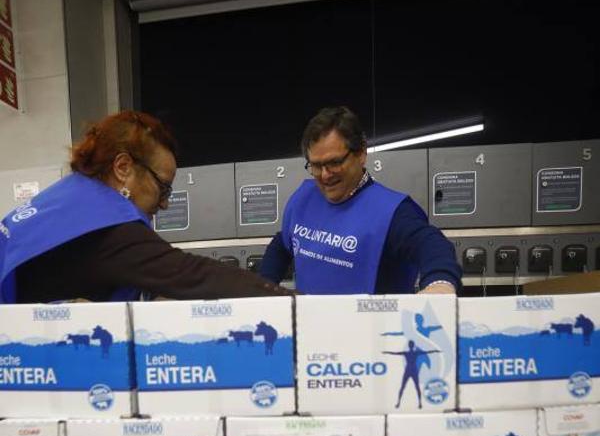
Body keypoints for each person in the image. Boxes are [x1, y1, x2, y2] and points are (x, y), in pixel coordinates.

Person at [0, 110, 292, 304]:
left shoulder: (64, 202)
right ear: (123, 167)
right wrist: (297, 303)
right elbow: (193, 275)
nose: (164, 203)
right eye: (162, 186)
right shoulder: (108, 229)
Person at [260, 106, 461, 294]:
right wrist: (262, 289)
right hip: (311, 327)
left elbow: (431, 243)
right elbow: (283, 243)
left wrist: (440, 282)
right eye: (316, 165)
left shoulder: (390, 212)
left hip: (372, 329)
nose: (325, 175)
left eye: (334, 162)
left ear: (361, 153)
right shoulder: (304, 199)